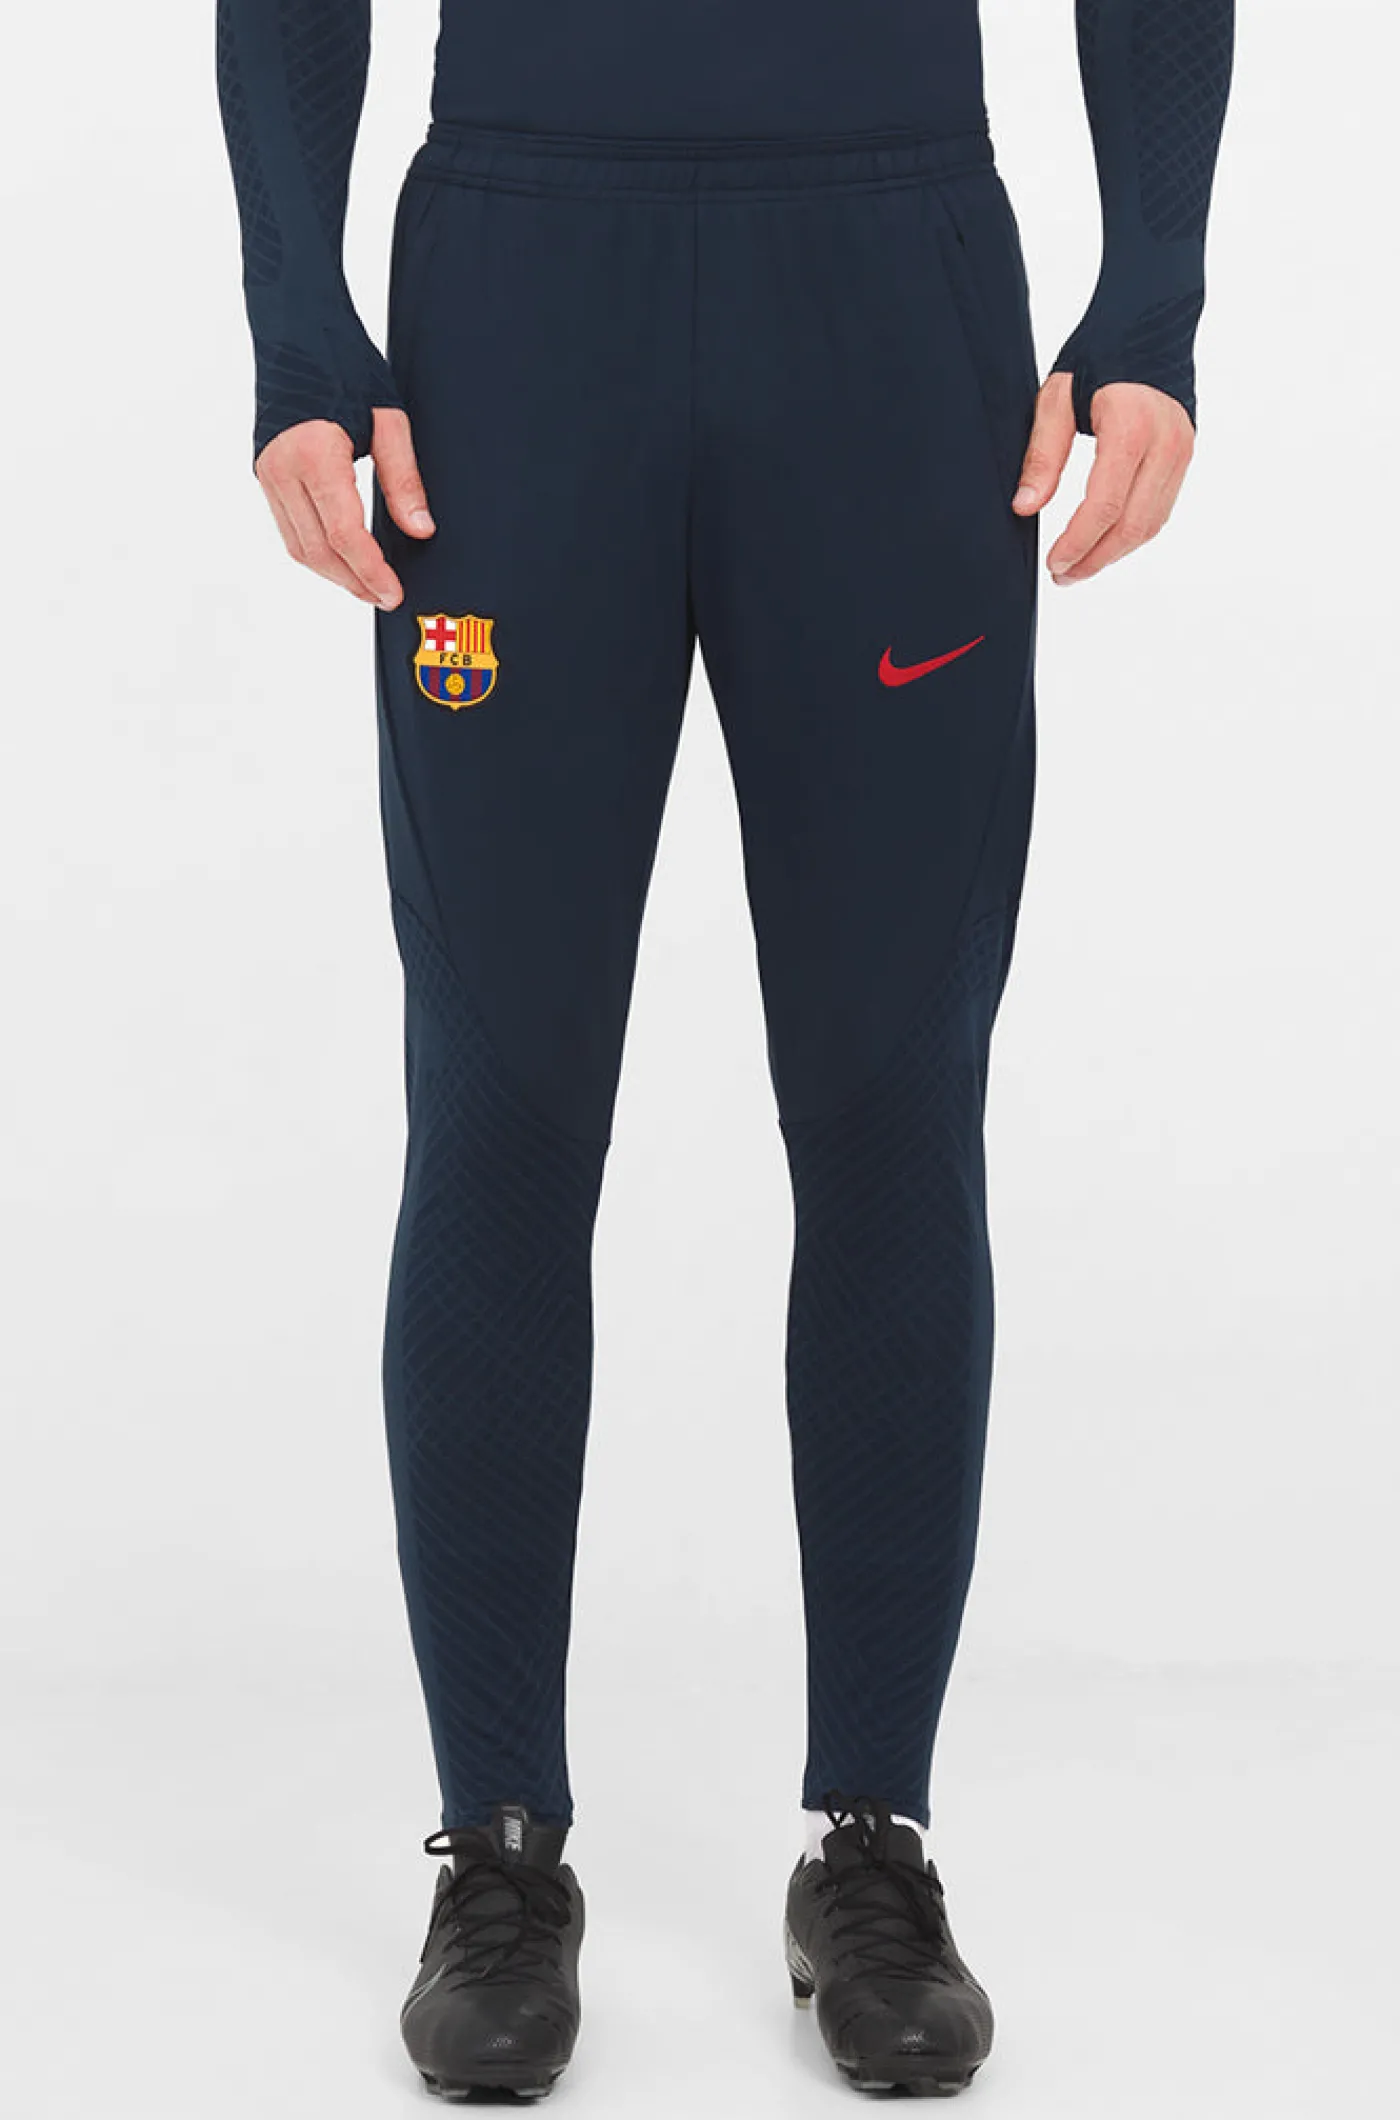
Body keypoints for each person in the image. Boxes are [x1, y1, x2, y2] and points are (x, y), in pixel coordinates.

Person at [216, 0, 1233, 2099]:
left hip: (887, 299)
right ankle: (497, 1848)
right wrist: (297, 317)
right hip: (519, 304)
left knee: (891, 1095)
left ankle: (874, 1842)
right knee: (499, 1097)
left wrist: (1154, 286)